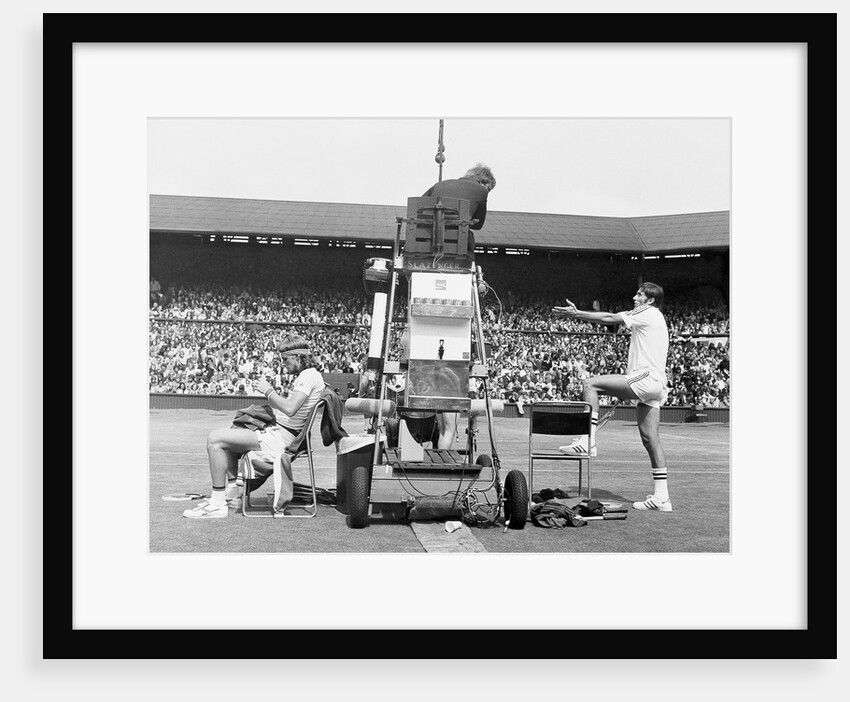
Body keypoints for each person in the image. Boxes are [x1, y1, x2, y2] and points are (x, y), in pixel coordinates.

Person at [552, 282, 673, 512]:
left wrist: (577, 313)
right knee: (650, 438)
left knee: (590, 384)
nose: (634, 297)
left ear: (651, 300)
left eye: (639, 294)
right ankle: (662, 498)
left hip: (646, 379)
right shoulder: (655, 317)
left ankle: (588, 440)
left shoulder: (646, 312)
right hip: (653, 383)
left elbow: (609, 318)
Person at [182, 334, 325, 519]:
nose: (283, 364)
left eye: (285, 359)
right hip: (279, 432)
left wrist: (268, 391)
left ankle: (218, 503)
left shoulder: (308, 375)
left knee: (214, 439)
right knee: (233, 432)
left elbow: (290, 409)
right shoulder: (309, 375)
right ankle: (231, 494)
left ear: (297, 356)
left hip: (281, 438)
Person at [422, 164, 496, 447]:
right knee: (469, 234)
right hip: (458, 252)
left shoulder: (440, 183)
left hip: (428, 248)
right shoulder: (480, 190)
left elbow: (421, 209)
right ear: (484, 182)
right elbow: (478, 223)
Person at [422, 163, 496, 254]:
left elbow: (418, 206)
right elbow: (478, 225)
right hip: (458, 242)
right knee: (469, 236)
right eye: (489, 189)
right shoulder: (482, 190)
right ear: (483, 182)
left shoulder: (440, 184)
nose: (487, 191)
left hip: (424, 237)